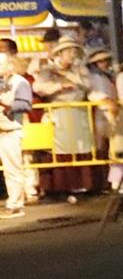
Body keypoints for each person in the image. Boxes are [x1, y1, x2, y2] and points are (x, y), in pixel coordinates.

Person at [32, 38, 98, 198]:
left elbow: (88, 85)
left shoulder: (80, 70)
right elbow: (38, 87)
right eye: (68, 51)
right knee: (59, 149)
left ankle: (83, 186)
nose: (72, 54)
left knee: (81, 148)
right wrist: (59, 86)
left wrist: (70, 77)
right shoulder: (48, 70)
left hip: (78, 113)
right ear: (60, 53)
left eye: (74, 51)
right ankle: (59, 187)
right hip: (58, 112)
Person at [0, 45, 33, 217]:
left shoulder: (20, 82)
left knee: (12, 169)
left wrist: (7, 105)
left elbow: (25, 105)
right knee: (9, 170)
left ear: (9, 65)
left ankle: (15, 204)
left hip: (10, 130)